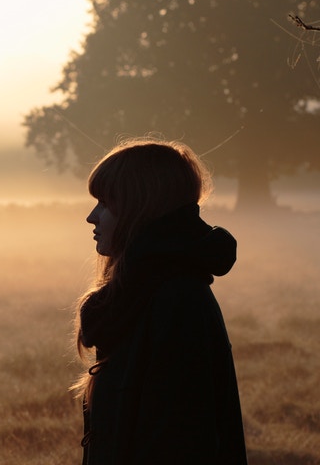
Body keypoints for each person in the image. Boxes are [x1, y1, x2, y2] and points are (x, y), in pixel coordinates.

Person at [75, 138, 247, 464]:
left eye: (105, 203)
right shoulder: (137, 296)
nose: (92, 217)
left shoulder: (176, 302)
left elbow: (181, 442)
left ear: (139, 209)